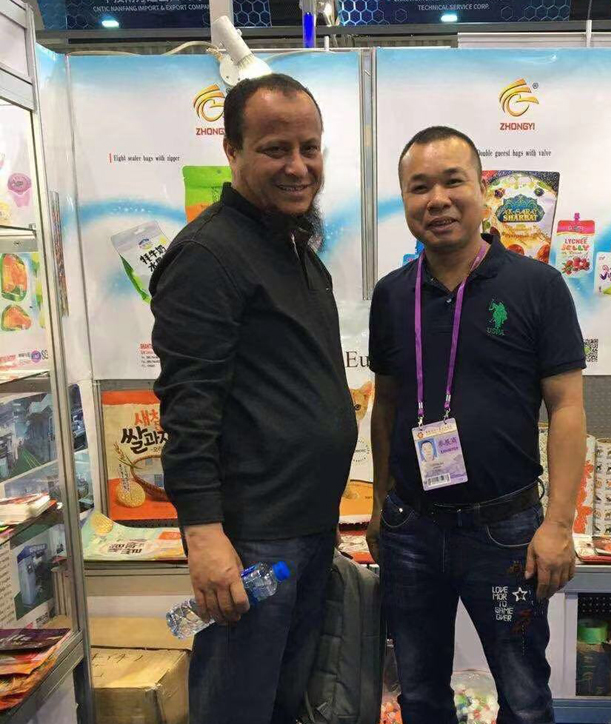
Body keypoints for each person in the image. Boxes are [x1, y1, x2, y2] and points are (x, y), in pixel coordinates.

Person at [150, 74, 357, 724]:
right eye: (275, 149)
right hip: (251, 542)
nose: (298, 166)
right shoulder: (209, 255)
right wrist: (205, 538)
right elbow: (189, 409)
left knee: (283, 705)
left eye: (310, 147)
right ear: (232, 151)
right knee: (238, 707)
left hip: (306, 530)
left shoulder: (292, 246)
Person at [366, 126, 587, 724]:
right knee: (418, 692)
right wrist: (381, 504)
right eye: (419, 187)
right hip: (411, 528)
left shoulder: (536, 285)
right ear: (405, 200)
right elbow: (386, 405)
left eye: (452, 181)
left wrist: (558, 524)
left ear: (482, 189)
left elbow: (567, 408)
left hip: (506, 533)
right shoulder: (392, 295)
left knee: (524, 695)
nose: (437, 199)